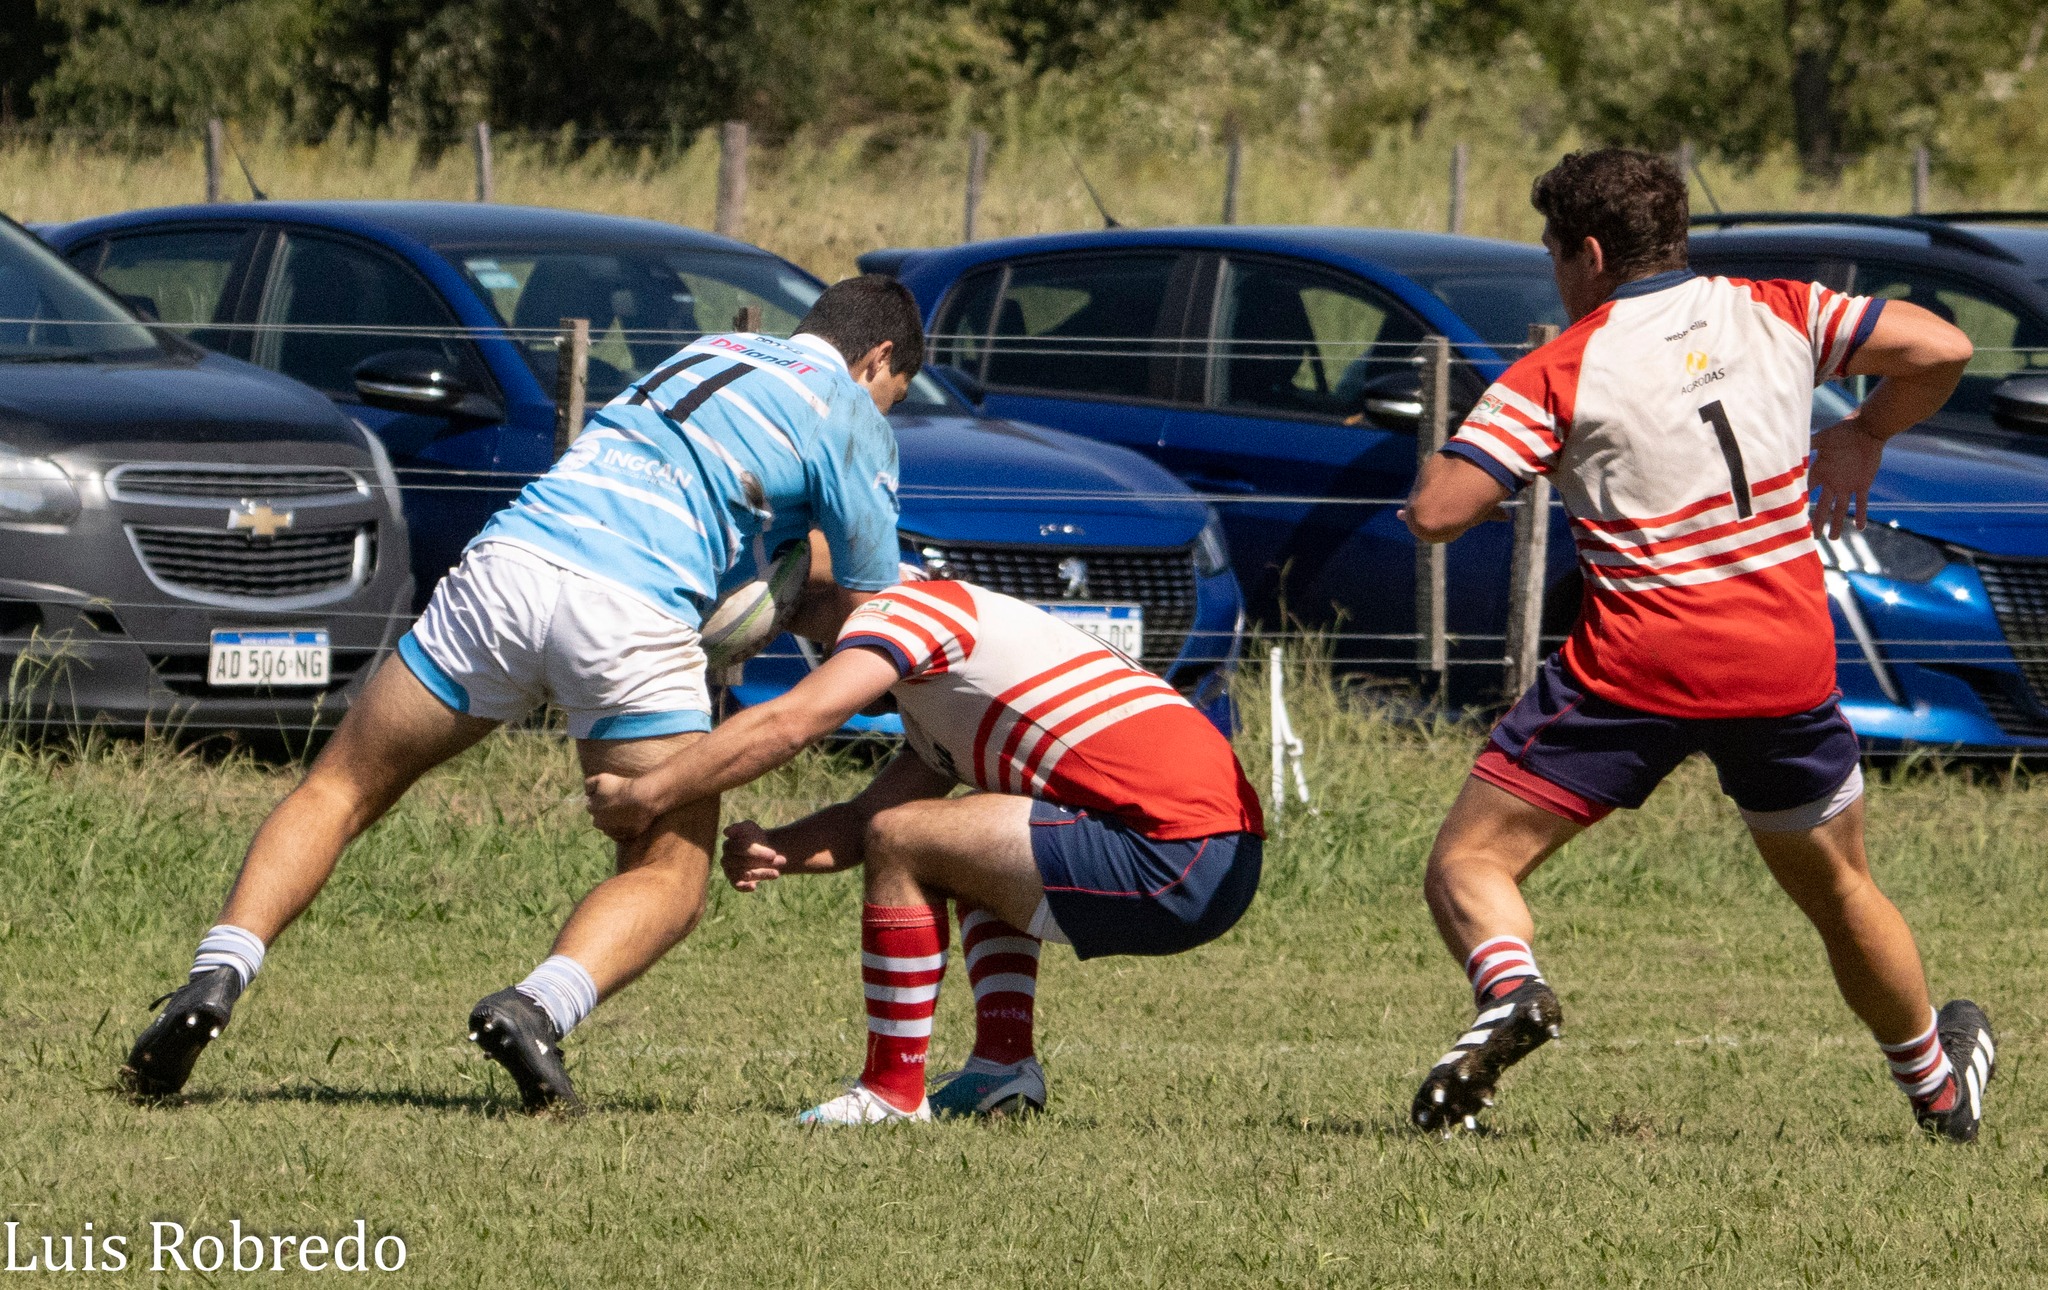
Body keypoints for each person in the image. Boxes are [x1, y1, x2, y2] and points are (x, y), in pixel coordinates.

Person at [121, 276, 924, 1114]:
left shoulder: (704, 353)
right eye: (895, 394)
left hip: (512, 563)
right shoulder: (851, 412)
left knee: (339, 787)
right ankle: (535, 1008)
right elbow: (870, 608)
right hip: (634, 611)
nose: (888, 411)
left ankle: (215, 974)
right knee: (669, 876)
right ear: (877, 360)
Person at [1401, 149, 1994, 1141]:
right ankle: (1936, 1086)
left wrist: (1473, 436)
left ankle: (1509, 994)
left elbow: (1434, 513)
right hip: (1779, 662)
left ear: (1586, 255)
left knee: (1467, 863)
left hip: (1638, 665)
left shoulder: (1563, 364)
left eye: (1553, 255)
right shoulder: (1776, 309)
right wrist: (1864, 435)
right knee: (1838, 888)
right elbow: (1940, 347)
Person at [585, 577, 1265, 1123]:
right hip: (1215, 862)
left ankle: (890, 1093)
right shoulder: (942, 689)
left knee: (917, 836)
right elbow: (865, 818)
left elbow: (791, 723)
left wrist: (650, 793)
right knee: (947, 838)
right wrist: (780, 849)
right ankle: (1001, 1071)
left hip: (1176, 853)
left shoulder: (914, 607)